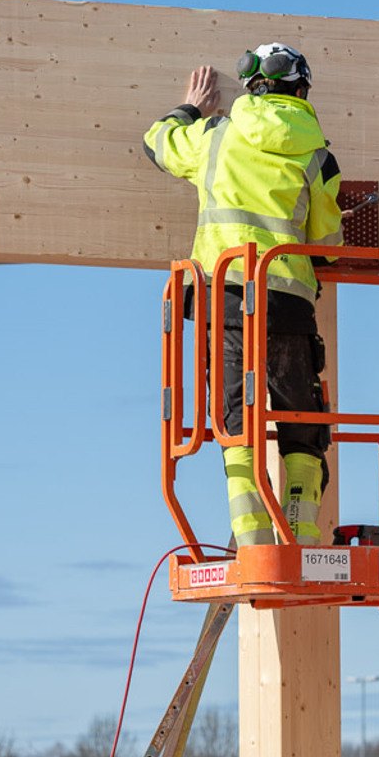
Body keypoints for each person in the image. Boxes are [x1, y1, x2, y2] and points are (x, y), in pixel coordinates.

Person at [144, 44, 343, 544]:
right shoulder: (318, 155)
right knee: (301, 418)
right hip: (289, 307)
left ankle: (252, 538)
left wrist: (190, 108)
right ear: (301, 91)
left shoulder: (214, 137)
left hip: (227, 303)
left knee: (237, 421)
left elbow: (157, 143)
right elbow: (329, 247)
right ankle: (300, 534)